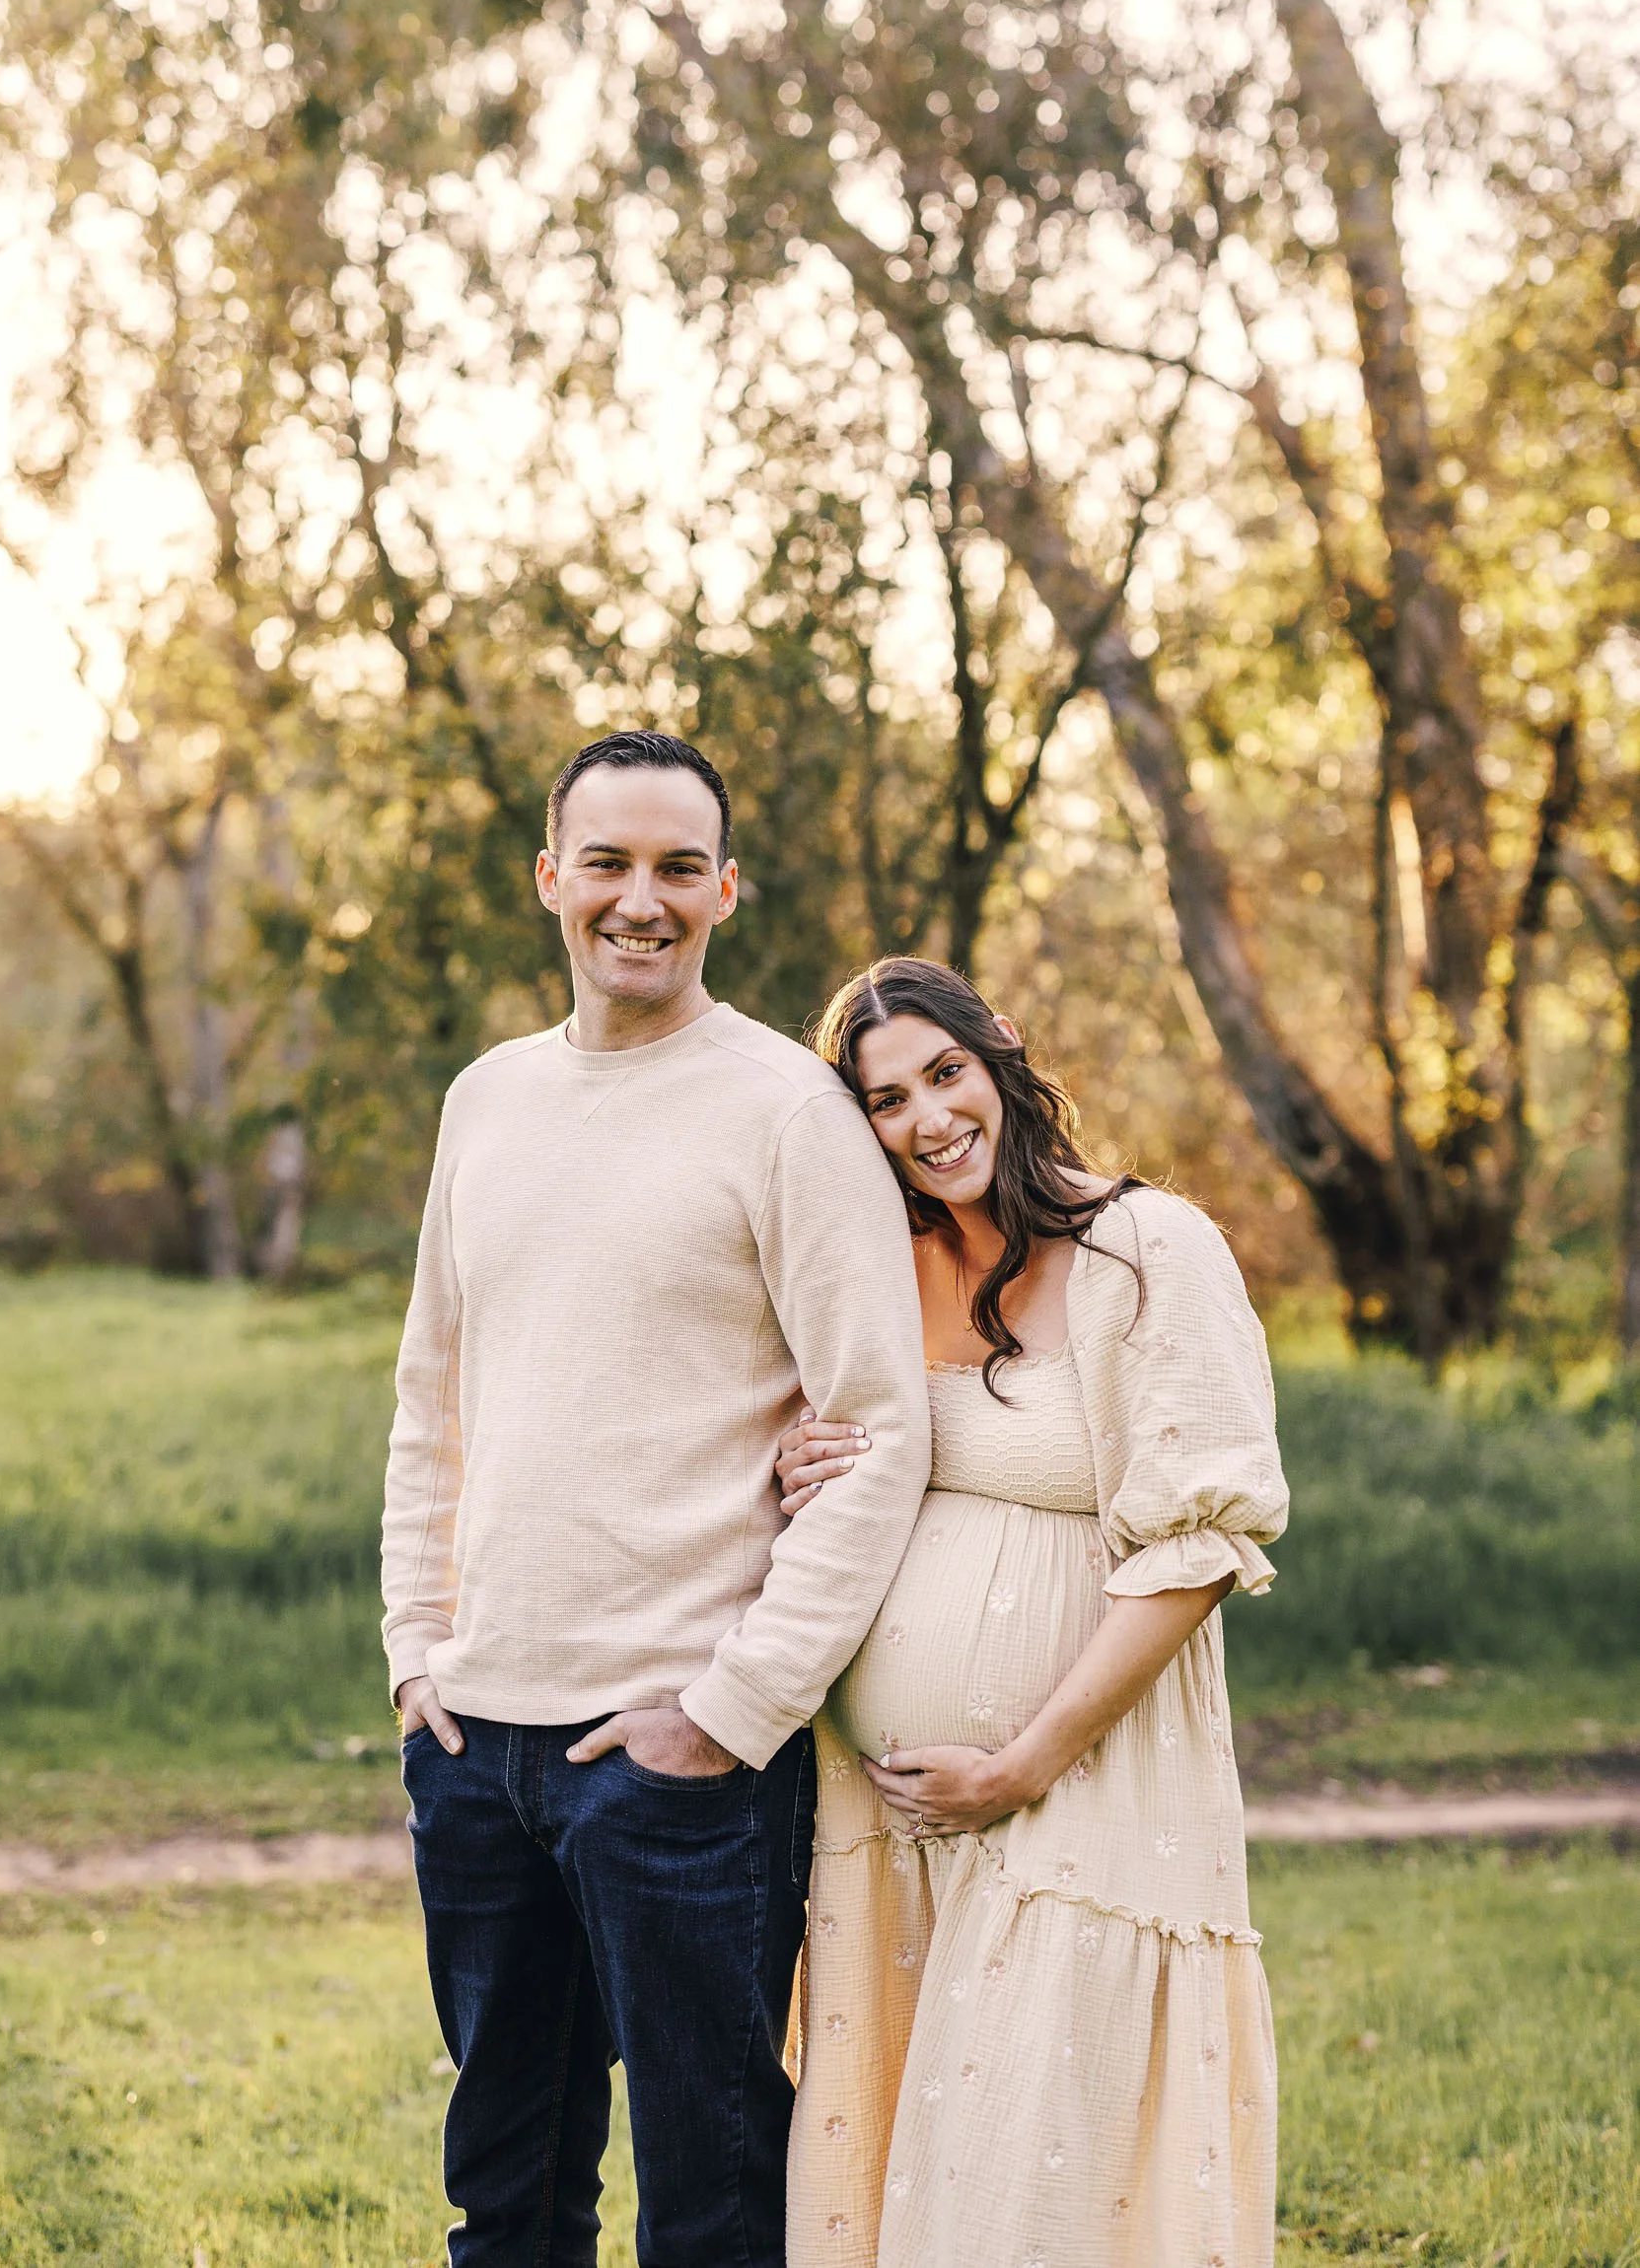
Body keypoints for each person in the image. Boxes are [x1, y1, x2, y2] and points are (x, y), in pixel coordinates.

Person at [381, 733, 931, 2268]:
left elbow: (877, 1430)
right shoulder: (484, 1102)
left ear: (725, 891)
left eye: (678, 867)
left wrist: (736, 1705)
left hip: (679, 1765)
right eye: (607, 862)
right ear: (549, 878)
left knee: (714, 2207)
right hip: (474, 1748)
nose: (642, 899)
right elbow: (435, 1398)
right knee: (503, 2197)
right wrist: (417, 1650)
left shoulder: (782, 1110)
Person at [777, 957, 1289, 2268]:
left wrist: (1019, 1764)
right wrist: (796, 1468)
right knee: (904, 2159)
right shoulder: (879, 1273)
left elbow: (1196, 1544)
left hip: (1077, 1786)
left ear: (998, 1054)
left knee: (1032, 2169)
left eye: (942, 1074)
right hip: (877, 1817)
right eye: (885, 1102)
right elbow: (830, 1458)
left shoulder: (1146, 1246)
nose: (927, 1118)